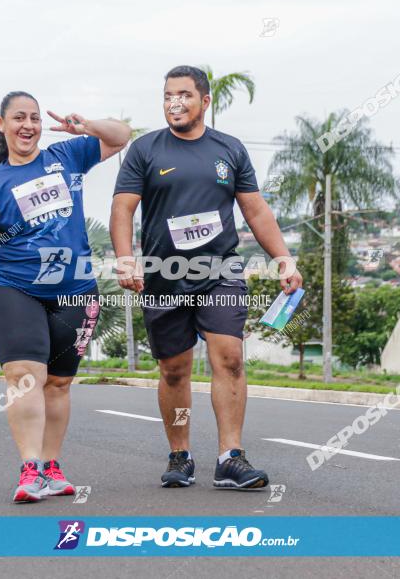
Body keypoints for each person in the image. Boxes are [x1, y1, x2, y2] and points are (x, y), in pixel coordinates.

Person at [0, 90, 129, 502]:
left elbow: (122, 135)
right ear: (2, 124)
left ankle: (52, 467)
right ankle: (30, 469)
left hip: (75, 289)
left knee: (58, 383)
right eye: (19, 118)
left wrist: (85, 125)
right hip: (15, 288)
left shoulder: (67, 155)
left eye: (34, 118)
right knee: (24, 379)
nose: (28, 125)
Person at [110, 65, 303, 490]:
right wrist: (126, 259)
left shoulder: (229, 150)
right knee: (175, 370)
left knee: (230, 357)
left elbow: (255, 210)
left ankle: (230, 457)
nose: (174, 102)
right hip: (164, 275)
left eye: (183, 94)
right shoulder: (144, 150)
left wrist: (284, 259)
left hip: (220, 270)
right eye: (167, 95)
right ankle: (180, 455)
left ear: (204, 101)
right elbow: (123, 209)